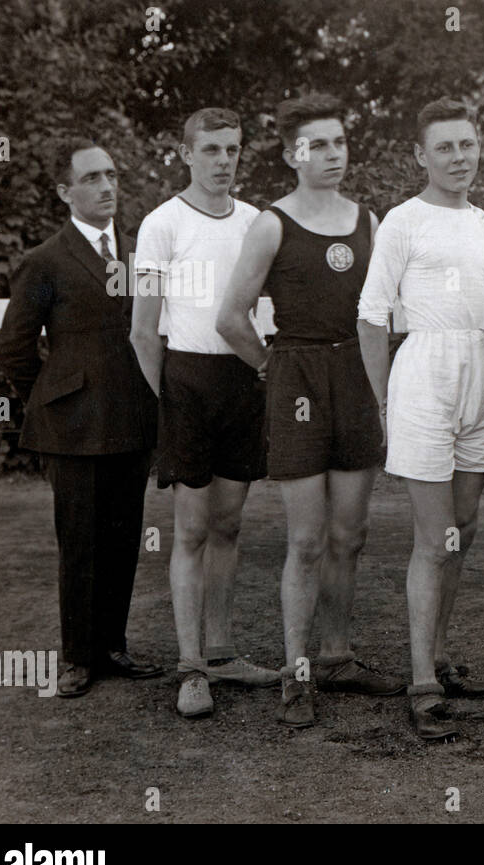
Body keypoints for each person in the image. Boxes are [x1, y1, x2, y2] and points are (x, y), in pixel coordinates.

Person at [217, 93, 403, 729]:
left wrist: (381, 386)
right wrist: (273, 369)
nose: (332, 154)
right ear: (292, 153)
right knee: (305, 537)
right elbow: (230, 317)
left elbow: (379, 314)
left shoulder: (368, 221)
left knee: (349, 535)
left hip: (353, 374)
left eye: (339, 142)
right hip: (295, 375)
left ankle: (337, 656)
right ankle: (297, 673)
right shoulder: (272, 224)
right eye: (318, 144)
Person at [358, 98, 484, 741]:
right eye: (444, 147)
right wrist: (385, 403)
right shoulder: (400, 221)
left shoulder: (483, 222)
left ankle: (440, 657)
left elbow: (480, 309)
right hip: (422, 373)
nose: (458, 158)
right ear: (420, 156)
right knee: (433, 535)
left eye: (467, 145)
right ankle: (420, 682)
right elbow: (370, 316)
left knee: (464, 528)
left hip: (479, 366)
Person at [0, 140, 162, 697]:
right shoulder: (45, 259)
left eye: (112, 174)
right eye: (92, 178)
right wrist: (50, 396)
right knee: (81, 543)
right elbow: (13, 346)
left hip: (131, 421)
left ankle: (113, 647)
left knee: (123, 538)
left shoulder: (141, 253)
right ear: (66, 192)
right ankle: (77, 657)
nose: (107, 186)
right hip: (72, 428)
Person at [130, 107, 280, 719]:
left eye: (234, 150)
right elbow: (144, 333)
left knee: (229, 525)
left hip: (242, 379)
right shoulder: (160, 223)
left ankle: (220, 653)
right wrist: (170, 405)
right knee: (189, 529)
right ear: (187, 154)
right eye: (212, 150)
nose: (224, 161)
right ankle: (191, 667)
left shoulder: (255, 222)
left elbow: (259, 310)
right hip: (185, 381)